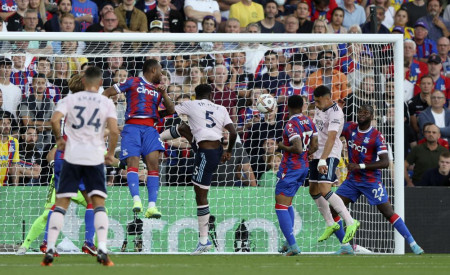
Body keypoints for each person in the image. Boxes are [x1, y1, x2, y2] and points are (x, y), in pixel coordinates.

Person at [41, 66, 118, 266]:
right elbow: (114, 130)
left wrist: (58, 139)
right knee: (97, 202)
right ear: (100, 83)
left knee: (61, 203)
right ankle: (100, 246)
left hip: (69, 155)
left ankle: (49, 245)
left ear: (84, 81)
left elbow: (54, 120)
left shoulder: (68, 101)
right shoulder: (104, 102)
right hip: (92, 156)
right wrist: (109, 153)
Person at [332, 104, 424, 255]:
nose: (362, 114)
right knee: (332, 207)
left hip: (370, 181)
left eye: (366, 113)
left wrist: (360, 166)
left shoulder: (377, 136)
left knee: (388, 212)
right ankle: (346, 246)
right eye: (360, 112)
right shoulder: (349, 128)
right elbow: (333, 133)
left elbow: (385, 162)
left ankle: (413, 244)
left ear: (372, 116)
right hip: (352, 180)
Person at [103, 59, 175, 218]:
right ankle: (136, 200)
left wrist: (164, 93)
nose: (162, 74)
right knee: (132, 163)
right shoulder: (133, 82)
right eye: (161, 71)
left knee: (153, 165)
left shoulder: (158, 89)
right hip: (132, 127)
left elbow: (171, 110)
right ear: (153, 70)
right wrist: (106, 115)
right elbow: (106, 93)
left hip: (150, 129)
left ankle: (152, 206)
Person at [172, 84, 237, 254]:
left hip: (205, 154)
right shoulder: (221, 108)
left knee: (200, 195)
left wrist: (164, 93)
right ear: (211, 95)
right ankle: (157, 139)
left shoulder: (192, 104)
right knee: (183, 128)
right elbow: (234, 132)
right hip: (215, 150)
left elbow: (170, 109)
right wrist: (228, 151)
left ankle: (204, 240)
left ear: (196, 95)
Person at [309, 85, 360, 244]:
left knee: (325, 189)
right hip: (318, 153)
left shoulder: (336, 113)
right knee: (313, 190)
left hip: (330, 153)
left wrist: (324, 159)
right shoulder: (319, 108)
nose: (316, 104)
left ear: (327, 98)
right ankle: (331, 223)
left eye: (318, 101)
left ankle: (351, 222)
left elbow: (331, 138)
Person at [276, 95, 318, 256]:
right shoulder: (308, 121)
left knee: (280, 206)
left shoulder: (291, 124)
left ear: (288, 107)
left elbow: (298, 147)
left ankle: (293, 246)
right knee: (288, 203)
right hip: (303, 167)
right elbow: (315, 145)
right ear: (302, 107)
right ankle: (288, 242)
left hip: (290, 168)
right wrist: (307, 155)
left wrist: (281, 146)